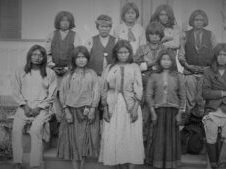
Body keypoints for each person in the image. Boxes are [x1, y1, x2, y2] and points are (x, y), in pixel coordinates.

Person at [99, 40, 144, 169]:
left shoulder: (134, 67)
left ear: (129, 53)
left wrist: (135, 108)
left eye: (126, 52)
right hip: (113, 105)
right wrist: (106, 109)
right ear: (116, 53)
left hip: (130, 104)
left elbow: (139, 88)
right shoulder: (109, 68)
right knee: (113, 135)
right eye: (120, 52)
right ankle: (116, 163)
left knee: (131, 136)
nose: (123, 55)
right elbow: (104, 88)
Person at [11, 45, 56, 169]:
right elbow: (16, 91)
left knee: (35, 131)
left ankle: (35, 164)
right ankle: (18, 162)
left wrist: (40, 107)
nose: (37, 58)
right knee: (16, 131)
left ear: (44, 57)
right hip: (23, 106)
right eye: (34, 55)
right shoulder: (20, 71)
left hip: (41, 108)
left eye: (40, 55)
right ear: (30, 56)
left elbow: (51, 94)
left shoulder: (49, 73)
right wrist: (24, 106)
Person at [57, 46, 100, 169]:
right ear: (74, 59)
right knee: (74, 142)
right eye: (78, 57)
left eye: (84, 57)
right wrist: (66, 111)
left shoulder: (92, 74)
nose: (81, 60)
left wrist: (92, 109)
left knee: (84, 142)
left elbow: (96, 91)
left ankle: (82, 166)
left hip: (87, 112)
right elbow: (63, 93)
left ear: (87, 59)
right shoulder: (69, 75)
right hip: (72, 112)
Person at [145, 49, 185, 169]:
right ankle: (157, 163)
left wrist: (179, 113)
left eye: (169, 59)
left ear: (173, 61)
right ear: (159, 61)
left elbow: (182, 95)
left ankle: (170, 163)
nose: (166, 62)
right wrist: (152, 112)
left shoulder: (178, 76)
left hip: (173, 112)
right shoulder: (154, 76)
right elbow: (148, 95)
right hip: (158, 111)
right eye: (163, 59)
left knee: (171, 139)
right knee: (158, 138)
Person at [178, 9, 218, 120]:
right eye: (196, 20)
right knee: (190, 100)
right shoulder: (185, 35)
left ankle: (202, 125)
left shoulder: (211, 35)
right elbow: (181, 55)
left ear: (204, 21)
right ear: (192, 21)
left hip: (205, 74)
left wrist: (209, 68)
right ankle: (190, 126)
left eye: (201, 20)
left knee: (202, 100)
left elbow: (216, 54)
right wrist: (187, 66)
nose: (199, 22)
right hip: (190, 73)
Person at [45, 11, 82, 120]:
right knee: (55, 94)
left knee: (68, 93)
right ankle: (58, 118)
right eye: (62, 20)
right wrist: (52, 66)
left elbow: (78, 54)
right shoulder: (52, 34)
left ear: (71, 22)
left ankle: (69, 118)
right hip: (54, 71)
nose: (64, 23)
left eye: (67, 21)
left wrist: (68, 68)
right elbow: (47, 53)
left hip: (69, 71)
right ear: (58, 22)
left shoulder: (75, 35)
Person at [134, 21, 166, 145]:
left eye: (157, 35)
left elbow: (168, 64)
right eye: (151, 34)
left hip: (160, 84)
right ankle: (142, 142)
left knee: (158, 113)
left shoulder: (164, 49)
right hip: (144, 83)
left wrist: (156, 68)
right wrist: (149, 65)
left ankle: (156, 144)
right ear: (148, 35)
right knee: (144, 113)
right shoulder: (142, 48)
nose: (154, 37)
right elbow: (135, 65)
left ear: (161, 35)